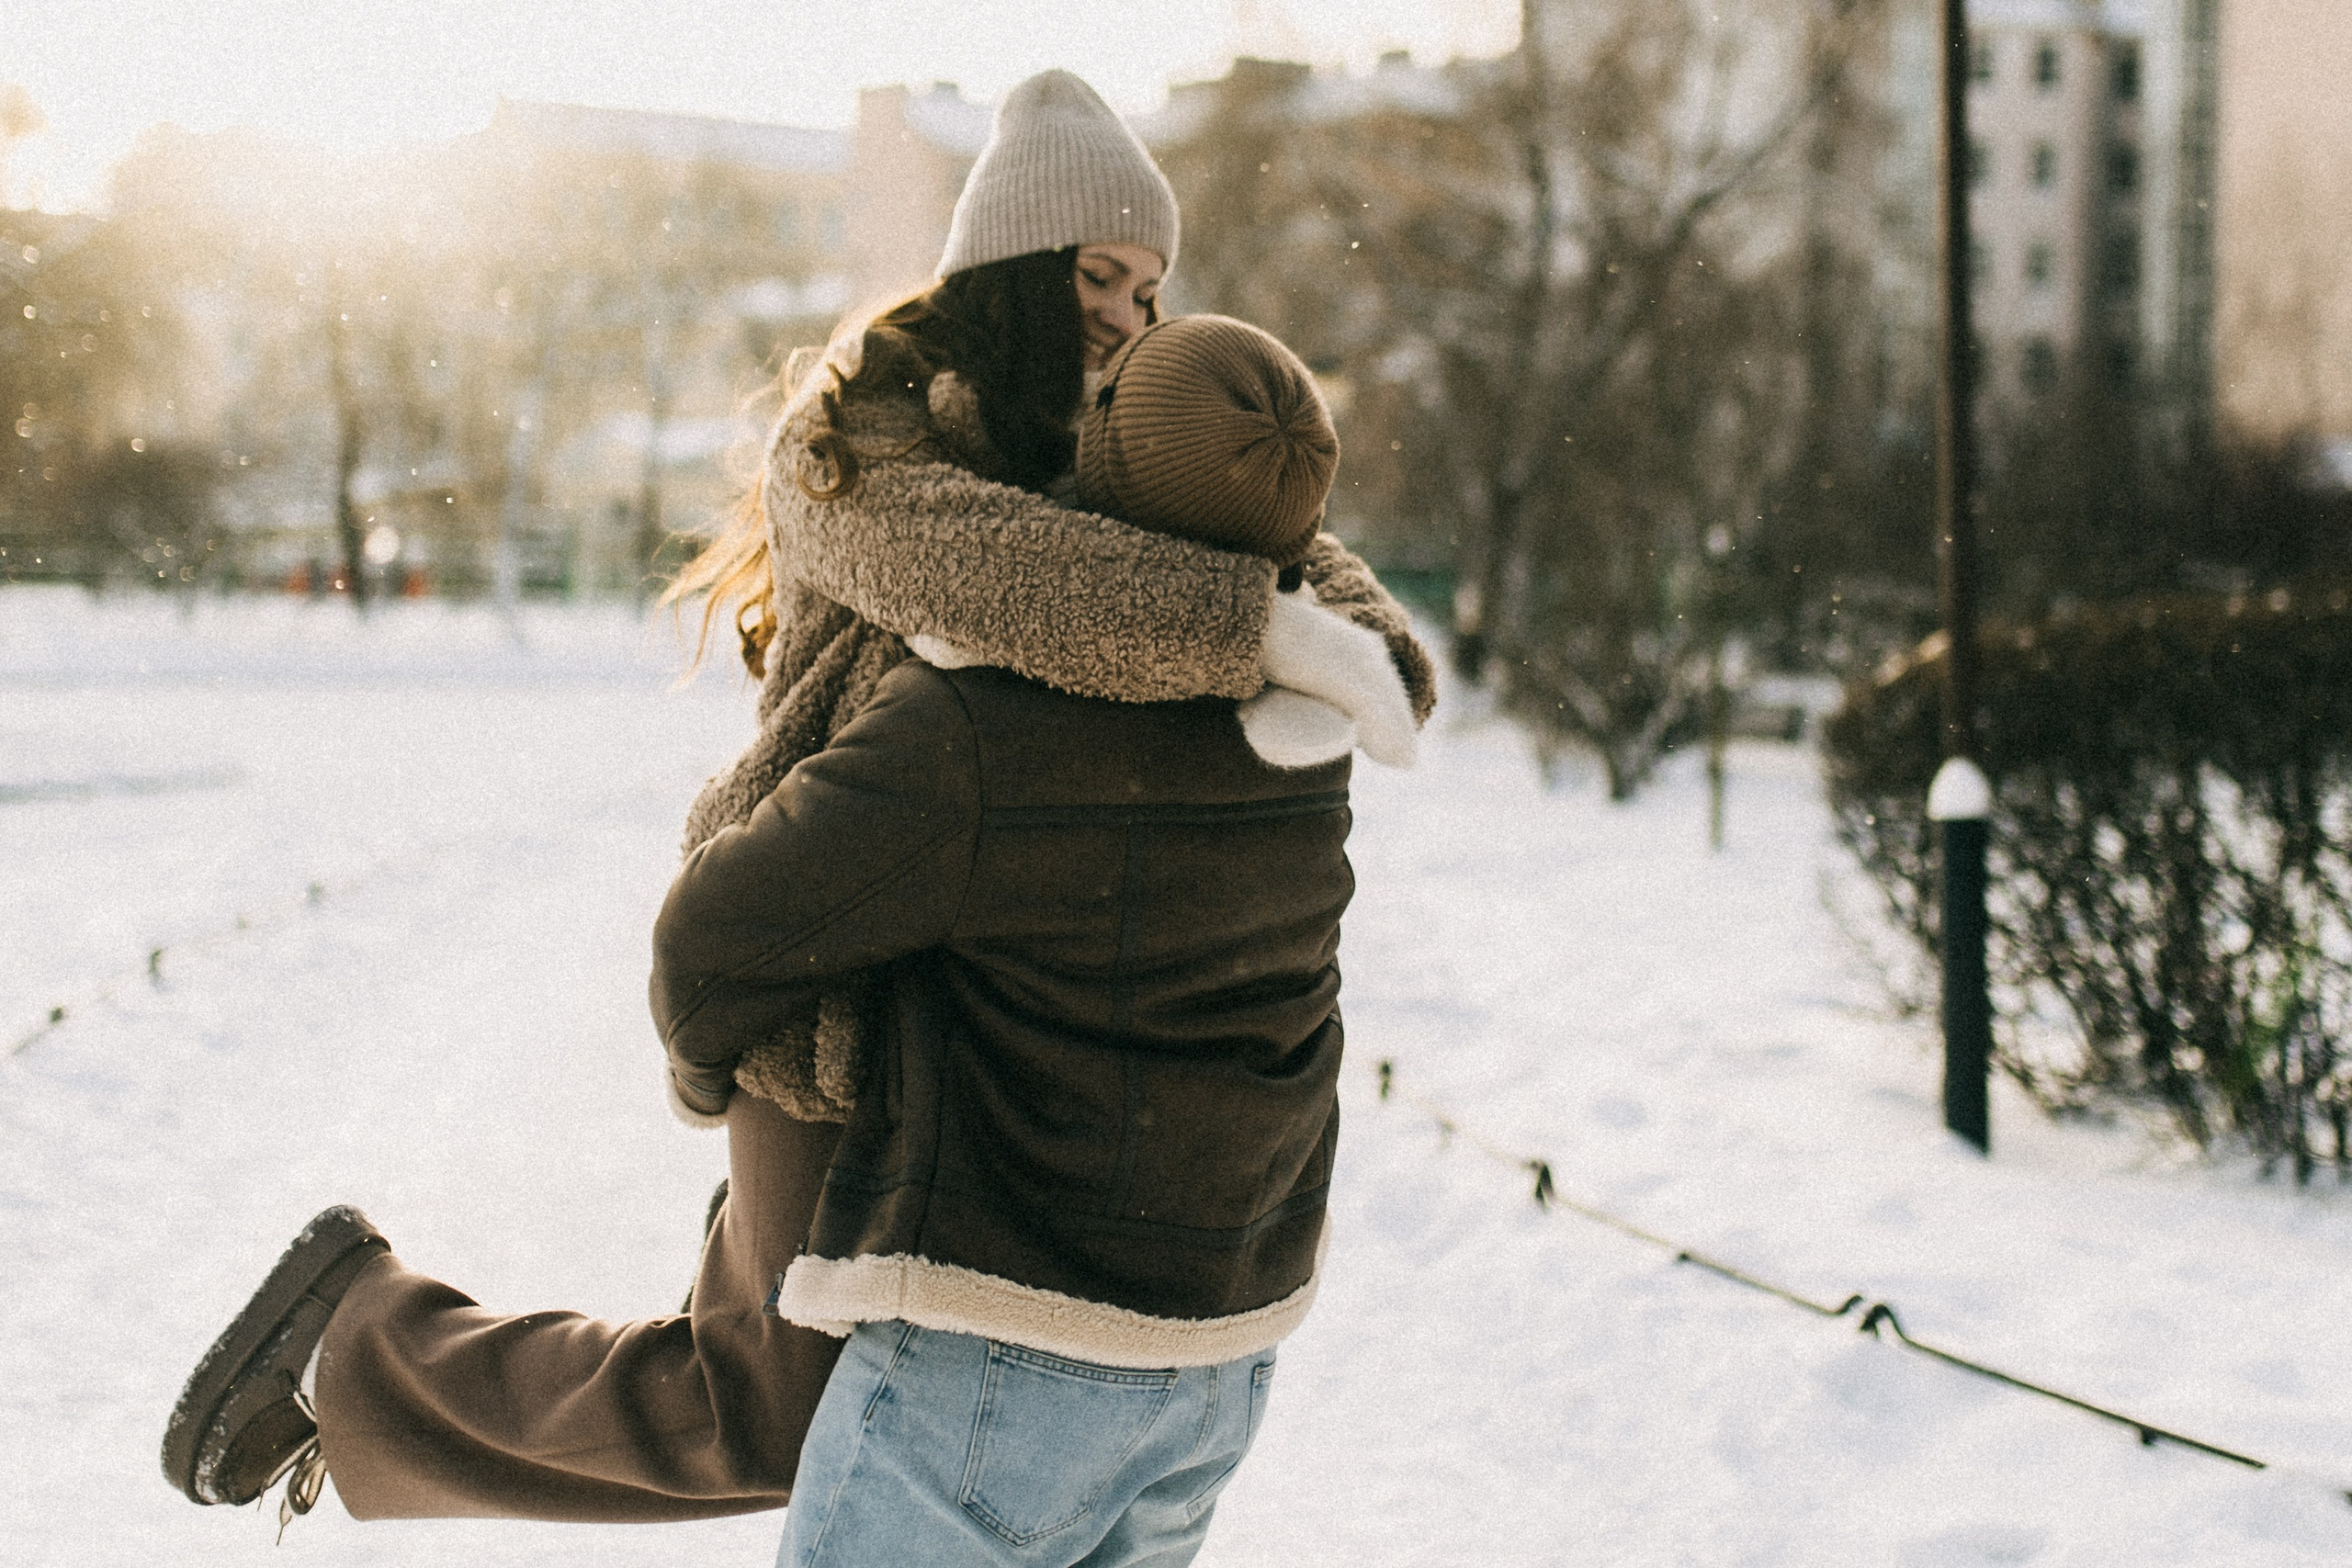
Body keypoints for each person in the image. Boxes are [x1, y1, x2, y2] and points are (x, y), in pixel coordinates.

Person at [159, 67, 1430, 1537]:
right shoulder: (871, 438)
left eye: (1152, 290)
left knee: (771, 1403)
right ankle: (360, 1348)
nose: (1129, 317)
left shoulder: (1090, 436)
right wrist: (1267, 630)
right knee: (773, 1409)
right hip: (823, 976)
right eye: (1100, 275)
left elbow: (1272, 530)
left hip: (965, 989)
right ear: (1014, 260)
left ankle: (355, 1358)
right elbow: (1034, 589)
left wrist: (1354, 626)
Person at [661, 306, 1402, 1567]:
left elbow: (713, 945)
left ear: (1093, 464)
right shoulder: (1313, 735)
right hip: (1221, 1360)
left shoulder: (980, 723)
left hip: (1006, 1354)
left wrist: (705, 1080)